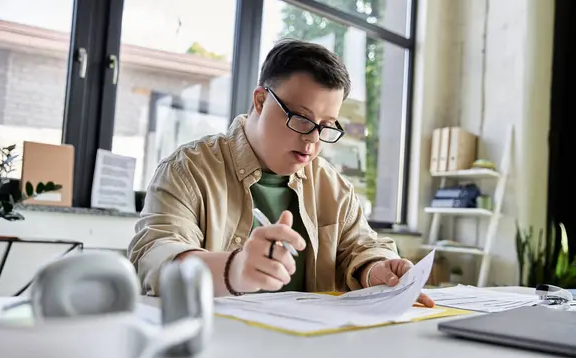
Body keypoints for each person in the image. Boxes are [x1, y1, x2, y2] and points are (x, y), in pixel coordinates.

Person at [128, 38, 434, 307]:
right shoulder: (189, 170)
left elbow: (361, 247)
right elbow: (154, 257)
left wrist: (374, 269)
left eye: (327, 126)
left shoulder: (332, 186)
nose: (313, 139)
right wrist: (233, 269)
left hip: (307, 351)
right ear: (260, 101)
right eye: (302, 118)